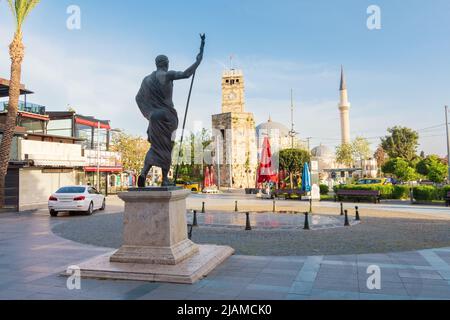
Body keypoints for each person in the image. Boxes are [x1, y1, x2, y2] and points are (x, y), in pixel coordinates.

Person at [136, 34, 206, 187]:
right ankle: (165, 179)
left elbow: (138, 98)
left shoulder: (146, 80)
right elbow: (186, 74)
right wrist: (198, 61)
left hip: (154, 117)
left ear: (156, 64)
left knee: (155, 146)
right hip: (167, 116)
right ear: (166, 63)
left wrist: (149, 114)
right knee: (167, 146)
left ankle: (143, 172)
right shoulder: (167, 75)